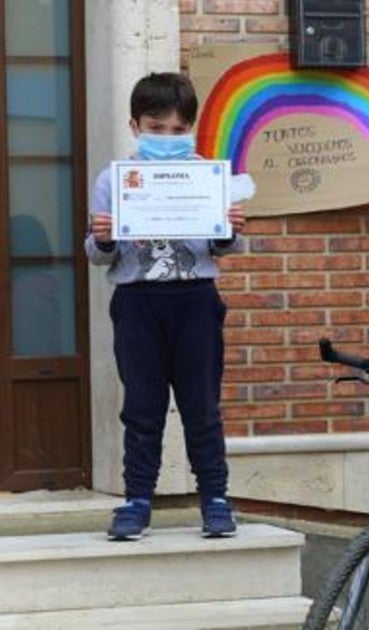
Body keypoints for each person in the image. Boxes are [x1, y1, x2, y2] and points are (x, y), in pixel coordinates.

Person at [84, 72, 246, 541]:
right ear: (135, 126)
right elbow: (95, 254)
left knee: (202, 406)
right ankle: (137, 501)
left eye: (178, 130)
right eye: (157, 128)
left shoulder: (210, 175)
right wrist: (103, 237)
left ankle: (214, 498)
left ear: (191, 129)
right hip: (136, 302)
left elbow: (226, 247)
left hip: (195, 299)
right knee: (141, 407)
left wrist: (228, 229)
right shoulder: (113, 180)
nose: (168, 138)